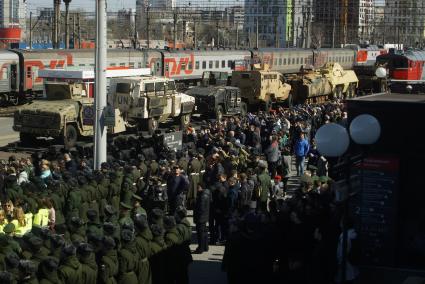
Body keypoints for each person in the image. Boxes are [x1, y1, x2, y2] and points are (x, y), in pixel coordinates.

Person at [193, 184, 210, 254]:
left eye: (198, 187)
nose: (197, 189)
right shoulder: (206, 194)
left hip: (201, 217)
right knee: (204, 232)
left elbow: (201, 208)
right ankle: (205, 246)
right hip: (204, 217)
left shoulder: (202, 196)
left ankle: (201, 248)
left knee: (200, 234)